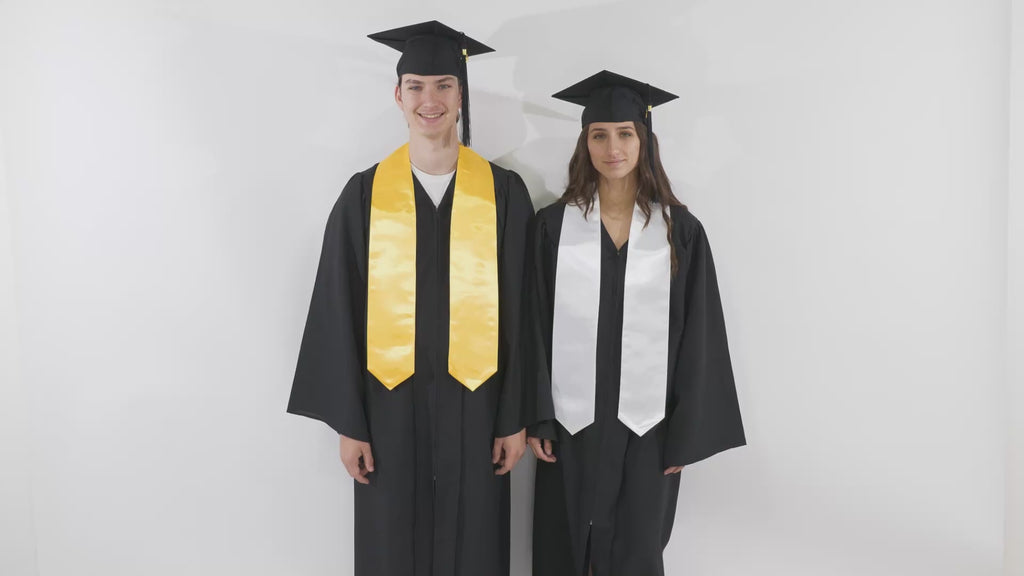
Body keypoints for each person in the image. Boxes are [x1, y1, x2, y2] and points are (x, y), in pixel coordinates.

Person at [287, 21, 533, 576]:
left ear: (461, 95)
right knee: (392, 544)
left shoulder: (503, 194)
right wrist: (350, 424)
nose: (431, 100)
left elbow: (524, 313)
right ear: (398, 96)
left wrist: (514, 417)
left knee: (474, 543)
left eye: (445, 85)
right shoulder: (364, 195)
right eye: (417, 86)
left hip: (480, 405)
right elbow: (337, 310)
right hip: (387, 409)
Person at [524, 70, 746, 576]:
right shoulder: (552, 228)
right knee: (564, 548)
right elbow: (533, 324)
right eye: (599, 134)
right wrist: (537, 416)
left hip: (649, 429)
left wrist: (688, 431)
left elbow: (700, 334)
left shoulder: (679, 232)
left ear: (644, 140)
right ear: (585, 142)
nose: (612, 147)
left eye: (625, 133)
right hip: (569, 424)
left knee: (638, 551)